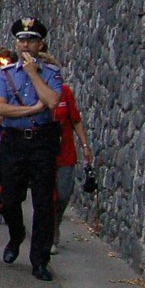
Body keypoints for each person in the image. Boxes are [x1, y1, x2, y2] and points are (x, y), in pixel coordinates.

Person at [0, 16, 64, 281]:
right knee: (9, 198)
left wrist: (34, 74)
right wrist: (32, 108)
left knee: (44, 202)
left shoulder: (51, 74)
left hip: (42, 140)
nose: (25, 45)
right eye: (22, 40)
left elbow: (53, 101)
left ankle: (40, 260)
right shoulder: (6, 74)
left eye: (31, 40)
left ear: (40, 44)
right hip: (13, 140)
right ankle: (16, 234)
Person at [51, 79, 94, 253]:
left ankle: (56, 223)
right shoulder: (35, 90)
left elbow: (75, 120)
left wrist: (84, 145)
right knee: (47, 196)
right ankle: (50, 234)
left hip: (65, 153)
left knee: (63, 193)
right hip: (44, 154)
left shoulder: (65, 92)